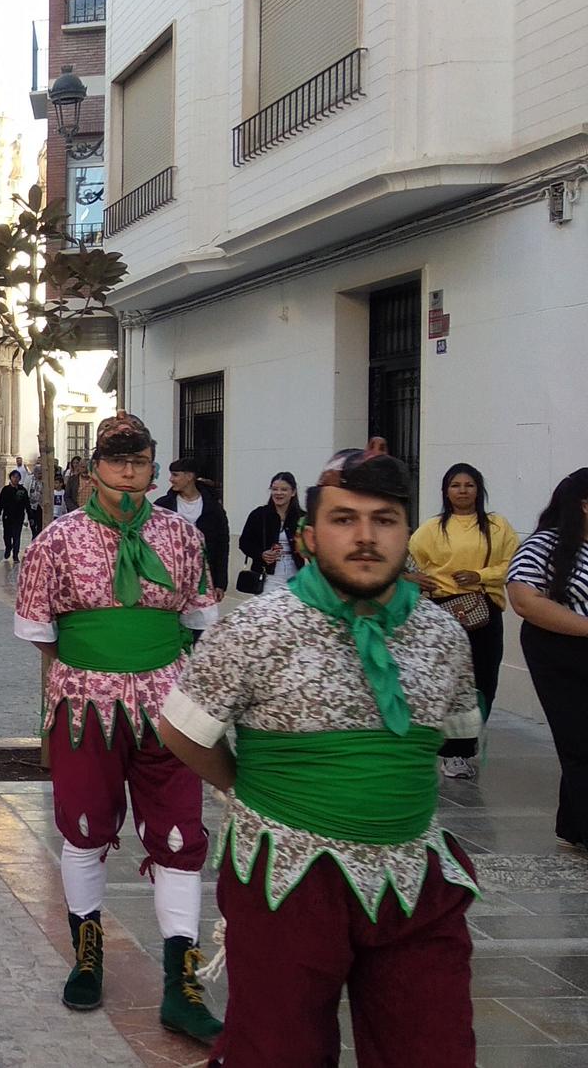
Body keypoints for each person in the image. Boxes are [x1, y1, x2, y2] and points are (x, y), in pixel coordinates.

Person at [158, 446, 482, 1067]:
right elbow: (181, 730)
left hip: (415, 882)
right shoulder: (257, 627)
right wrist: (245, 788)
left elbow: (457, 738)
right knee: (278, 1051)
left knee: (435, 1048)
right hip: (287, 878)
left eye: (384, 519)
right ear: (308, 536)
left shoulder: (442, 636)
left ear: (406, 530)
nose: (365, 537)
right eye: (344, 519)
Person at [13, 412, 222, 1041]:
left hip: (169, 705)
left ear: (154, 469)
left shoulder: (183, 538)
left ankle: (181, 984)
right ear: (95, 468)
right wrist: (92, 678)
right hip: (85, 704)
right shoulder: (56, 540)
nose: (129, 475)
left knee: (182, 835)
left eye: (140, 463)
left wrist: (155, 674)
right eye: (116, 462)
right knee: (83, 827)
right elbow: (41, 633)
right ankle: (87, 953)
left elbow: (198, 621)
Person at [409, 463, 520, 780]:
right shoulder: (431, 529)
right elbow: (406, 558)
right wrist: (415, 579)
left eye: (468, 485)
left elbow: (511, 563)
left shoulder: (497, 526)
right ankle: (450, 752)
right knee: (448, 682)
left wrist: (480, 575)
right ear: (446, 491)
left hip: (485, 610)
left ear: (478, 489)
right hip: (443, 612)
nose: (462, 490)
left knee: (484, 681)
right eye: (455, 485)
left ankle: (467, 744)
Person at [506, 468, 588, 854]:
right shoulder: (544, 544)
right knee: (579, 740)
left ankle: (573, 825)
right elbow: (524, 599)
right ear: (584, 505)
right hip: (559, 651)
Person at [155, 459, 230, 599]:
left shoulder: (213, 508)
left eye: (175, 475)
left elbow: (222, 547)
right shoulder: (163, 506)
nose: (171, 479)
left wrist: (220, 583)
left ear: (189, 476)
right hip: (172, 575)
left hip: (203, 575)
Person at [238, 473, 306, 594]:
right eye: (275, 489)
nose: (278, 493)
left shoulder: (301, 517)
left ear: (293, 492)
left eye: (284, 489)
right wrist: (261, 554)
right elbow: (244, 542)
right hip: (267, 575)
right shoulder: (259, 514)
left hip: (296, 574)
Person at [0, 469, 32, 566]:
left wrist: (30, 516)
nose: (15, 479)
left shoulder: (22, 490)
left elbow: (27, 503)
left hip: (18, 516)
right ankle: (8, 547)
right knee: (7, 535)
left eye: (17, 477)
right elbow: (1, 502)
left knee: (16, 536)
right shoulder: (6, 489)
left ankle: (15, 554)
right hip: (7, 516)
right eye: (14, 477)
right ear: (10, 478)